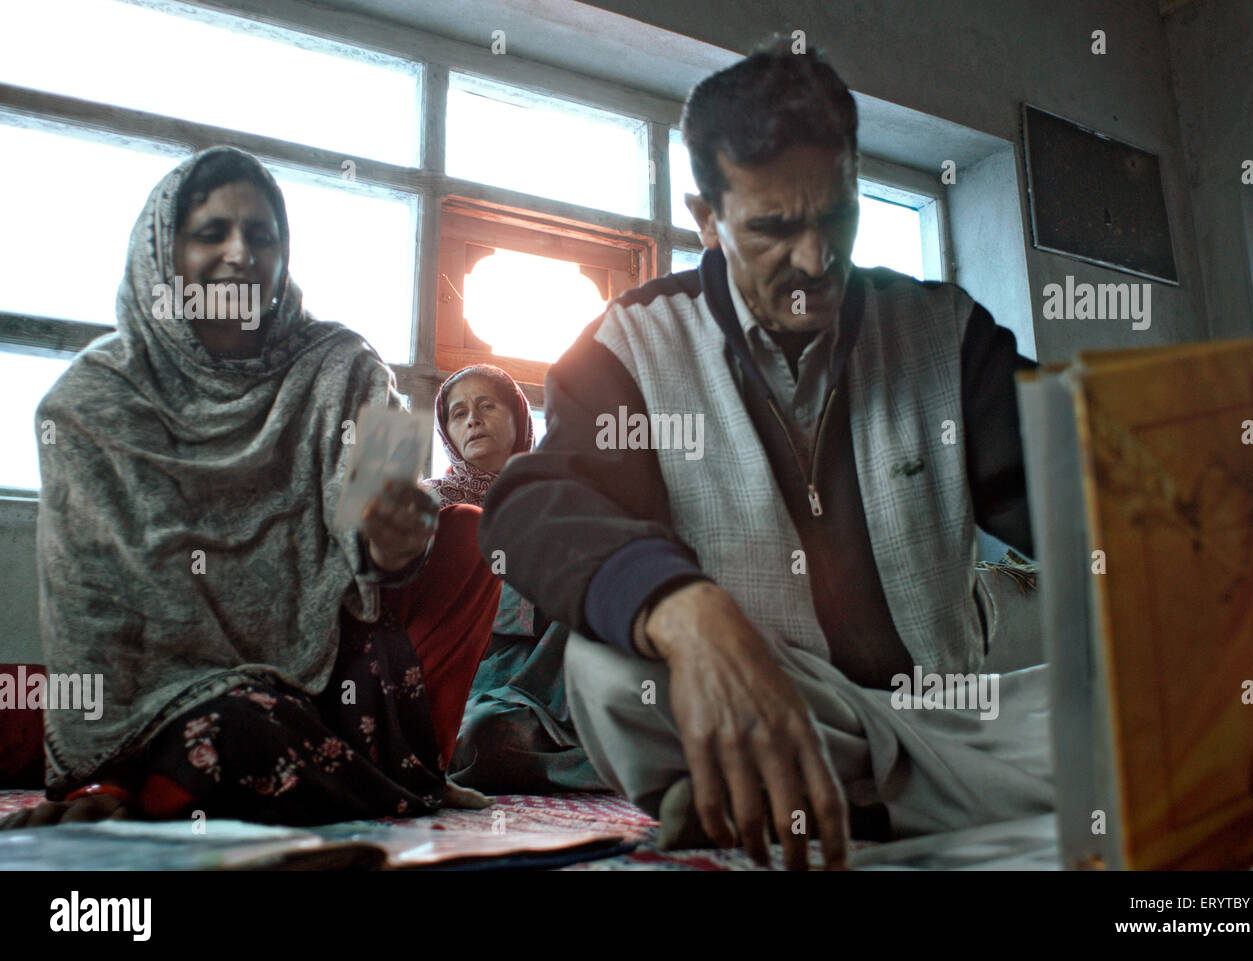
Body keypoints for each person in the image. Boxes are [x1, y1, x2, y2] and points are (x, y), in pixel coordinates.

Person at [480, 44, 1054, 870]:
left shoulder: (948, 334)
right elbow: (531, 506)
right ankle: (893, 805)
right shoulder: (633, 344)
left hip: (951, 723)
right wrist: (687, 610)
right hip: (762, 708)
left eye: (836, 218)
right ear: (705, 218)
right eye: (775, 228)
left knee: (1141, 708)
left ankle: (809, 805)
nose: (817, 261)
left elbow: (1082, 491)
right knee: (606, 673)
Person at [1, 146, 500, 830]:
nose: (239, 253)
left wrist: (390, 532)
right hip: (172, 687)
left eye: (260, 235)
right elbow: (90, 605)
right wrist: (100, 772)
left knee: (472, 532)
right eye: (211, 233)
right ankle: (155, 777)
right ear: (163, 252)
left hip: (330, 668)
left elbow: (383, 506)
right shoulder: (87, 403)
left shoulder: (347, 361)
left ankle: (414, 768)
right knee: (225, 729)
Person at [426, 365, 603, 793]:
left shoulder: (562, 499)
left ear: (520, 419)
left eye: (487, 405)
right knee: (484, 734)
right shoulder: (427, 504)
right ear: (447, 430)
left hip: (561, 675)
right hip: (471, 677)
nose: (473, 419)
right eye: (458, 412)